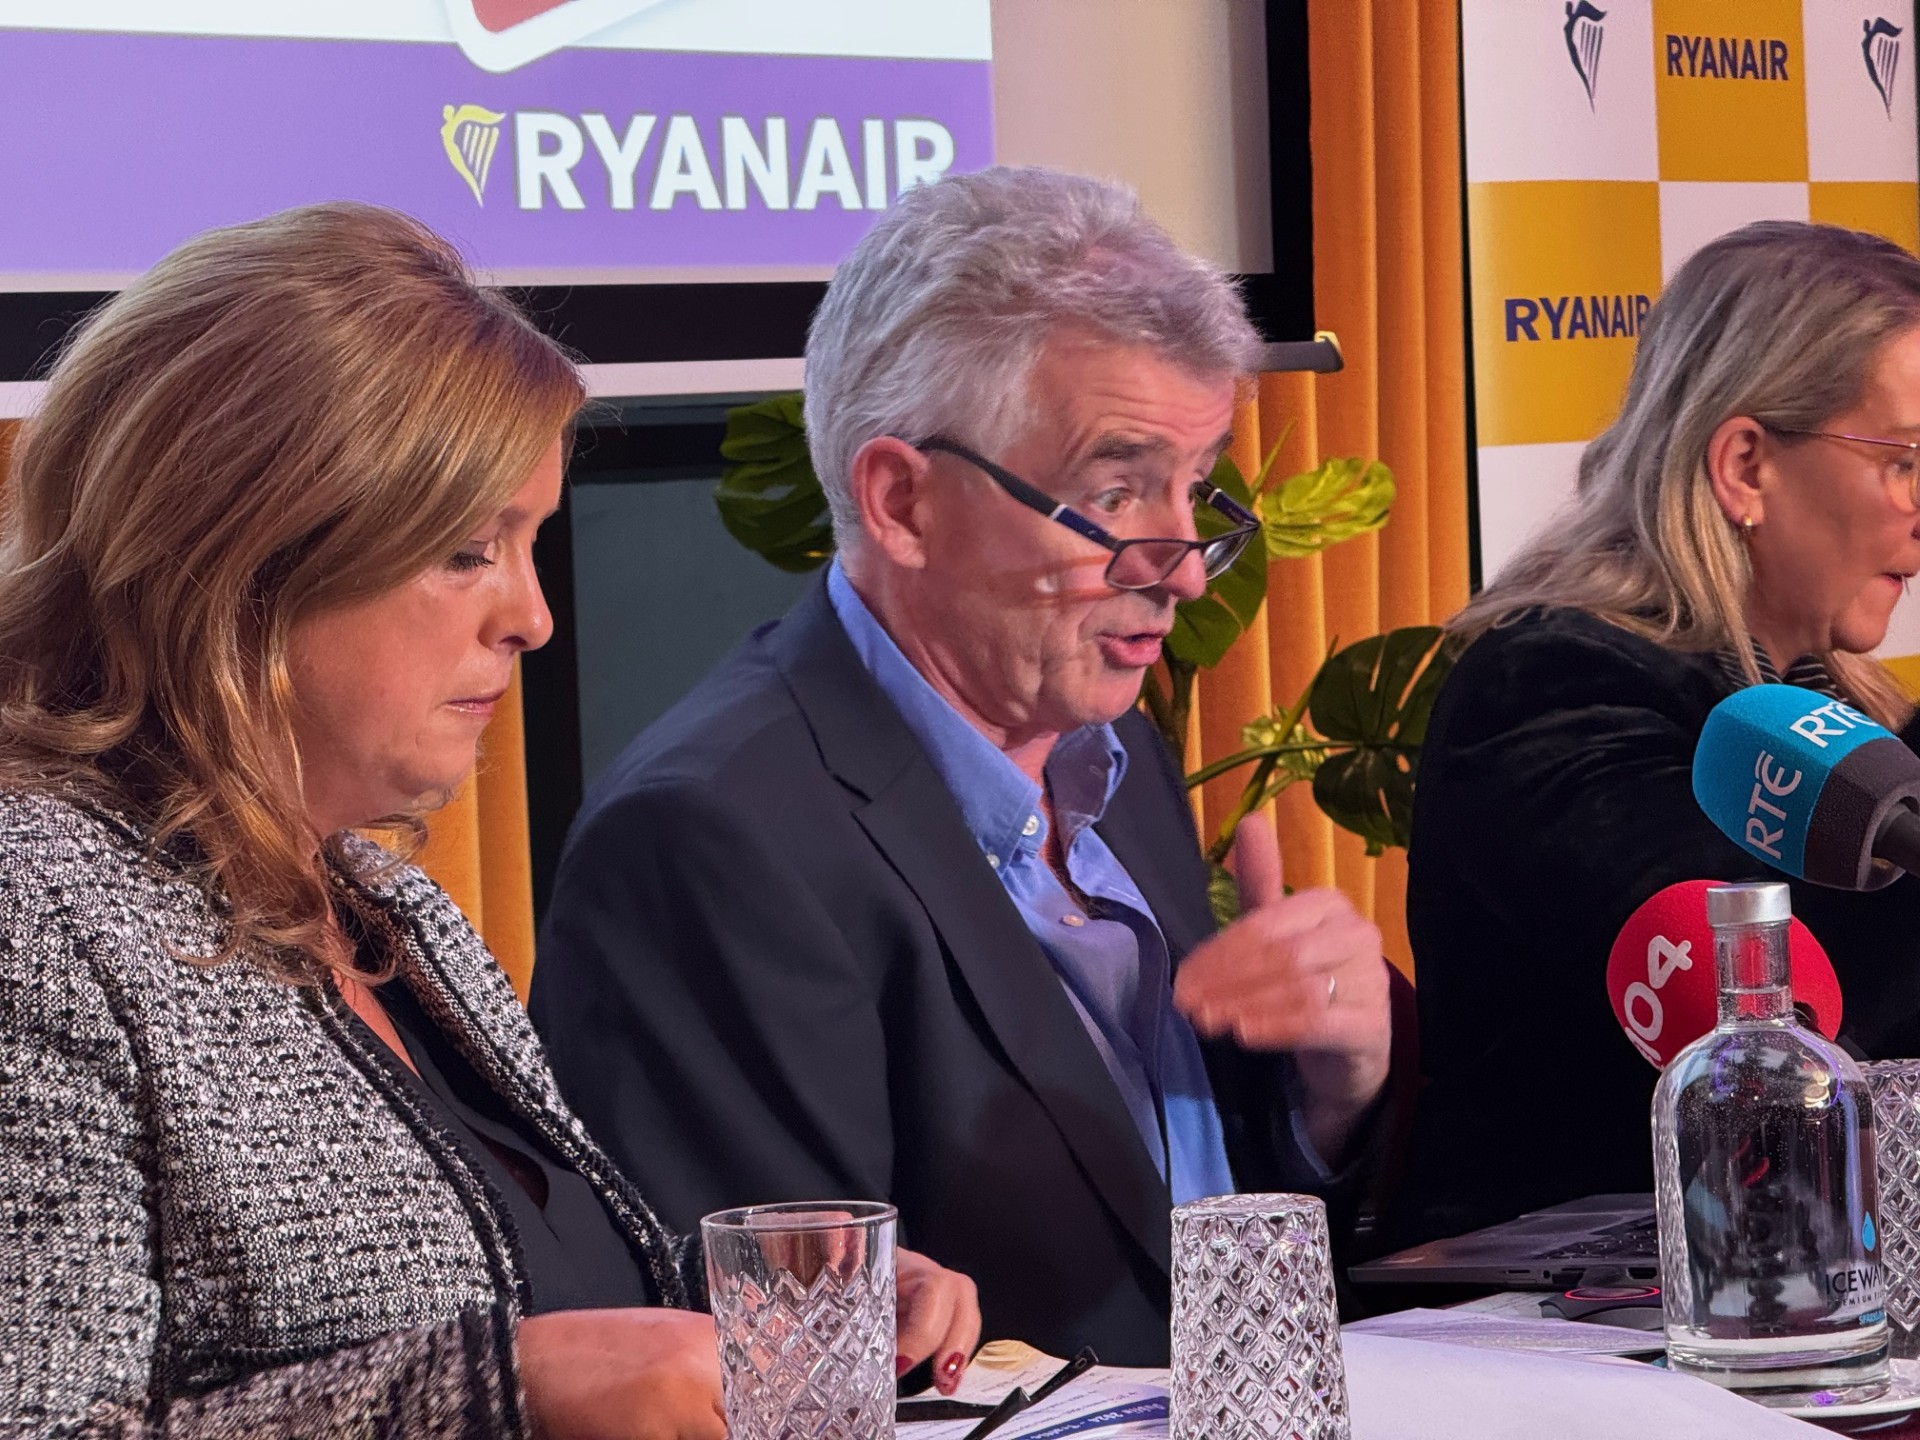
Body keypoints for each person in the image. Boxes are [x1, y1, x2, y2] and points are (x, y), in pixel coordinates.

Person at [0, 202, 978, 1438]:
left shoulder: (386, 902)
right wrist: (502, 1396)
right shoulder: (33, 907)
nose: (531, 617)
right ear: (240, 561)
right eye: (468, 552)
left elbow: (518, 1285)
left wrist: (784, 1313)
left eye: (529, 547)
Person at [530, 166, 1397, 1367]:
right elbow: (782, 1370)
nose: (1186, 571)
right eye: (1114, 493)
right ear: (902, 502)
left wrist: (1329, 1096)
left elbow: (1206, 1222)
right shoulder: (712, 841)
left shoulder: (1111, 747)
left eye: (1194, 492)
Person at [1396, 220, 1920, 1247]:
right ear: (1744, 465)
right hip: (1557, 1343)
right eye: (1903, 461)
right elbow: (1772, 1024)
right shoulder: (1547, 684)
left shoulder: (1838, 709)